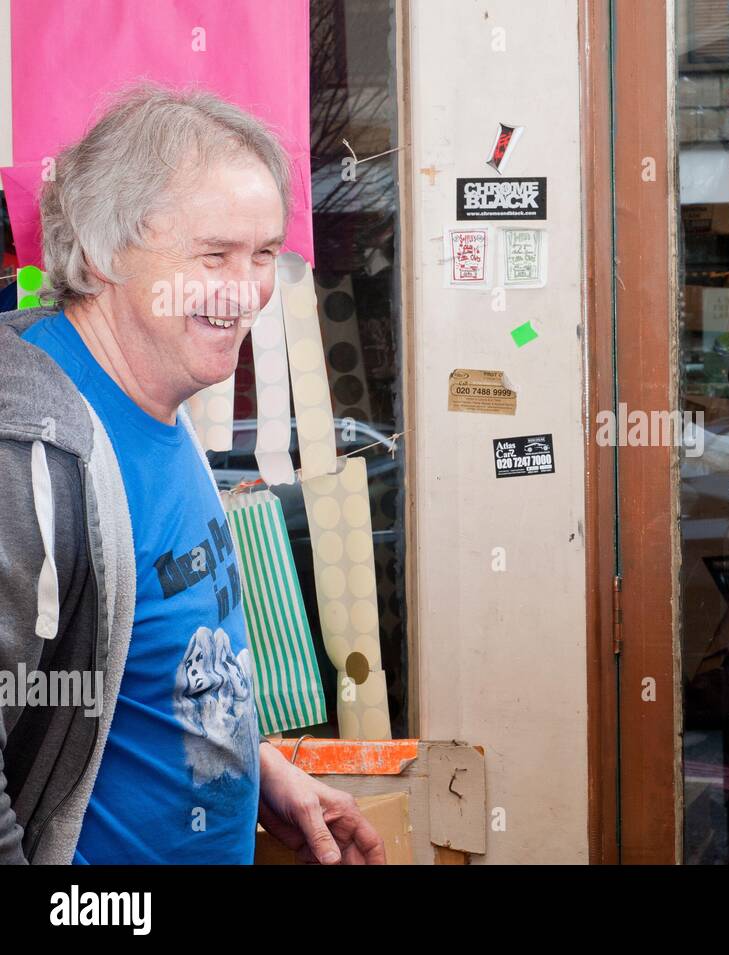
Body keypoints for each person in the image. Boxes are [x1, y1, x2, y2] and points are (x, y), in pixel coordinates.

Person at [0, 85, 384, 864]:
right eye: (214, 255)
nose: (246, 291)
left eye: (264, 254)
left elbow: (148, 675)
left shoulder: (163, 398)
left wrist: (259, 765)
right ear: (106, 253)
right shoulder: (32, 452)